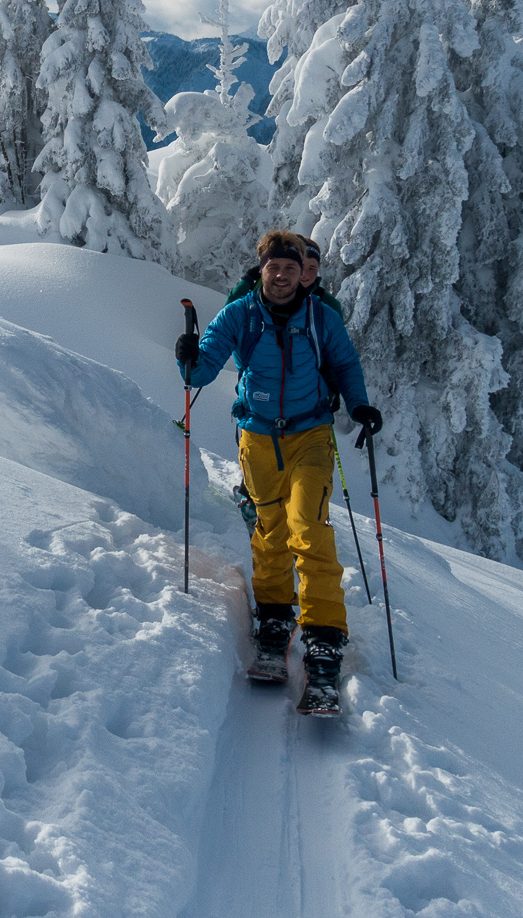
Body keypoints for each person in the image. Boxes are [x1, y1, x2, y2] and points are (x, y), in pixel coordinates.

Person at [176, 230, 382, 710]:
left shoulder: (321, 318)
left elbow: (346, 365)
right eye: (275, 266)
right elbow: (202, 371)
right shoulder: (240, 314)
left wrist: (361, 406)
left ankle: (325, 635)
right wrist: (188, 358)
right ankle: (274, 616)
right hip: (258, 437)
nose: (283, 274)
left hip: (311, 434)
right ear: (262, 269)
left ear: (300, 273)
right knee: (269, 529)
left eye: (292, 267)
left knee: (308, 526)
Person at [224, 235, 345, 321]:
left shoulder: (327, 303)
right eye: (300, 266)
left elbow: (337, 346)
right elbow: (228, 314)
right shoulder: (264, 291)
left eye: (312, 268)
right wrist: (248, 279)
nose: (305, 274)